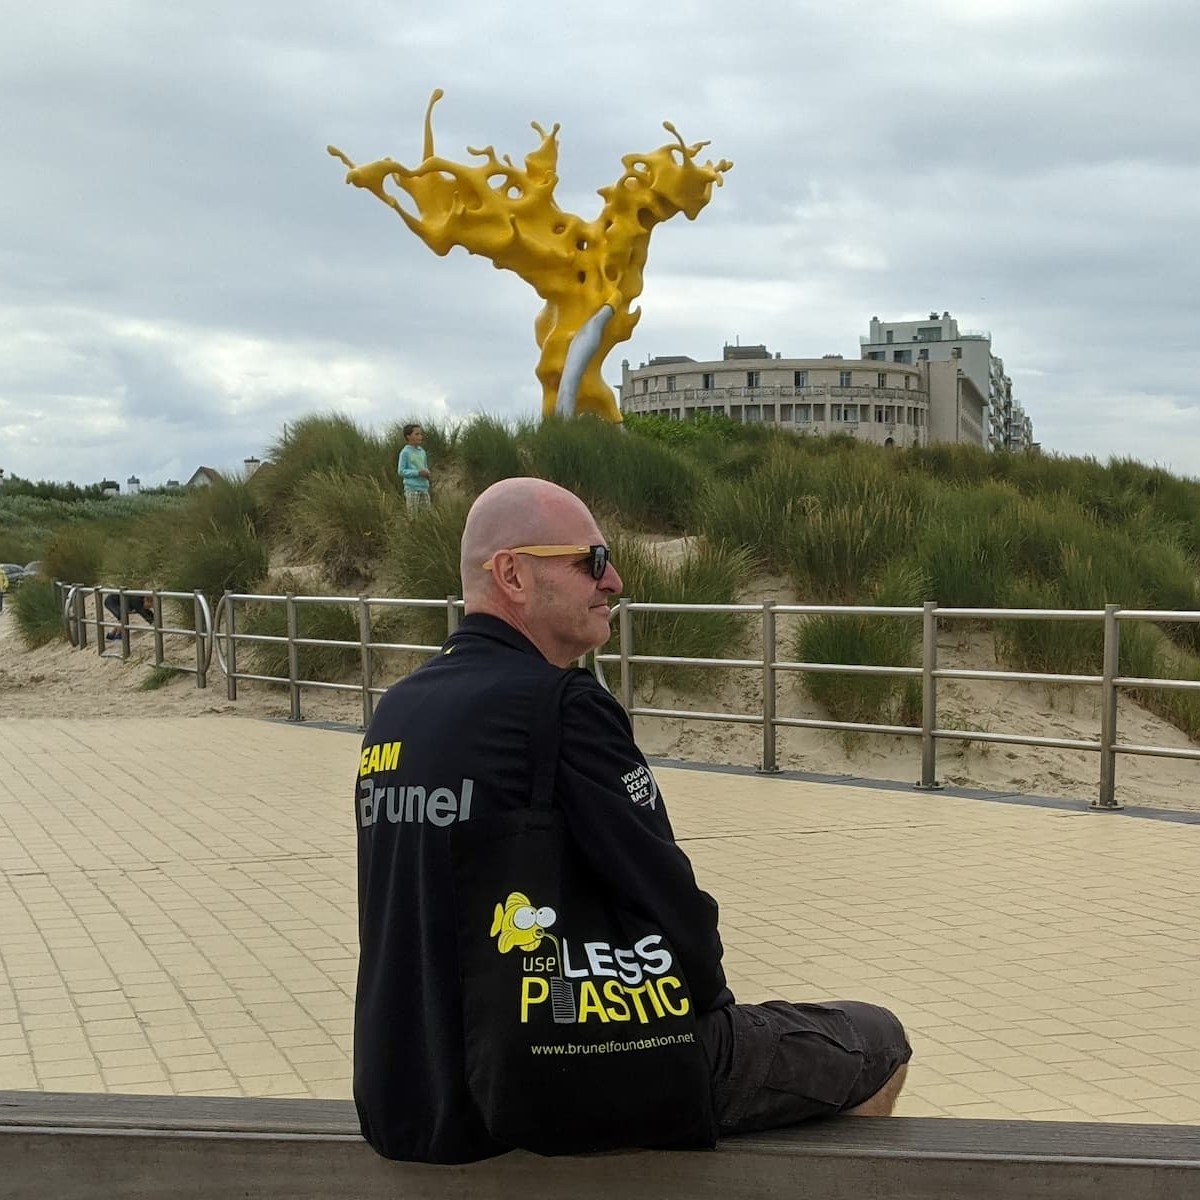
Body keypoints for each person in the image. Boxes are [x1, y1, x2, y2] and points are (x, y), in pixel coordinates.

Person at [353, 477, 910, 1164]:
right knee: (878, 1040)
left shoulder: (398, 712)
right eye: (591, 560)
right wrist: (711, 1011)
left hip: (408, 1094)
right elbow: (672, 903)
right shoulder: (561, 705)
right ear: (512, 574)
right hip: (546, 1082)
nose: (613, 580)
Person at [397, 423, 431, 512]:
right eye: (417, 434)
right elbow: (401, 471)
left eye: (421, 434)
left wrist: (427, 473)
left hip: (424, 488)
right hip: (412, 489)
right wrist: (418, 473)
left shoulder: (422, 451)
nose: (420, 436)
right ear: (408, 436)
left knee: (427, 517)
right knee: (413, 517)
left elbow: (425, 466)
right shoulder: (405, 452)